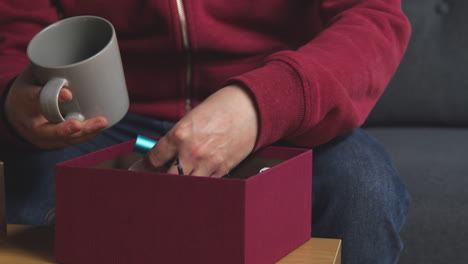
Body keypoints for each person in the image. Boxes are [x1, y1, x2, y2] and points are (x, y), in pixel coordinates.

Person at [0, 0, 411, 263]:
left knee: (362, 194)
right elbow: (17, 31)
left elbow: (372, 17)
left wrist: (259, 105)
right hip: (106, 122)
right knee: (25, 201)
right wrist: (11, 99)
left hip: (280, 115)